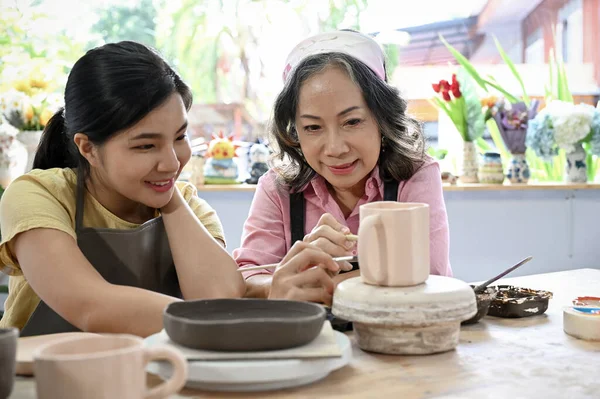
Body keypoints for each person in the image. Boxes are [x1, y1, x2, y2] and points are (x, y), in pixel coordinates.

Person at [0, 41, 245, 337]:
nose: (171, 162)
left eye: (180, 137)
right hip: (40, 379)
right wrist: (206, 320)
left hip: (156, 375)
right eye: (146, 145)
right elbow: (91, 306)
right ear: (88, 148)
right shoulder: (38, 196)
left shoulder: (188, 207)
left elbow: (222, 300)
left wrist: (170, 199)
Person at [234, 30, 452, 304]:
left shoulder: (415, 177)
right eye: (313, 127)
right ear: (295, 133)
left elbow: (429, 276)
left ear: (382, 119)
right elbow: (247, 278)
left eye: (352, 122)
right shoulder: (278, 189)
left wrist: (321, 282)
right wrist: (279, 281)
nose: (335, 148)